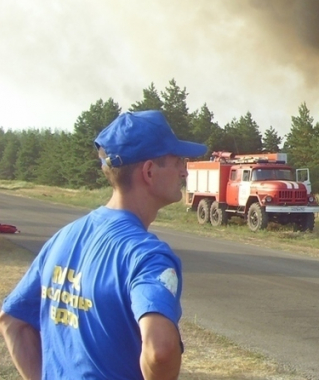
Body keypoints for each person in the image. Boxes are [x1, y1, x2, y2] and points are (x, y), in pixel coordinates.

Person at [0, 110, 206, 380]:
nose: (184, 171)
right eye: (177, 160)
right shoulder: (146, 256)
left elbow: (12, 321)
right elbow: (161, 351)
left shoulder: (63, 237)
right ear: (149, 171)